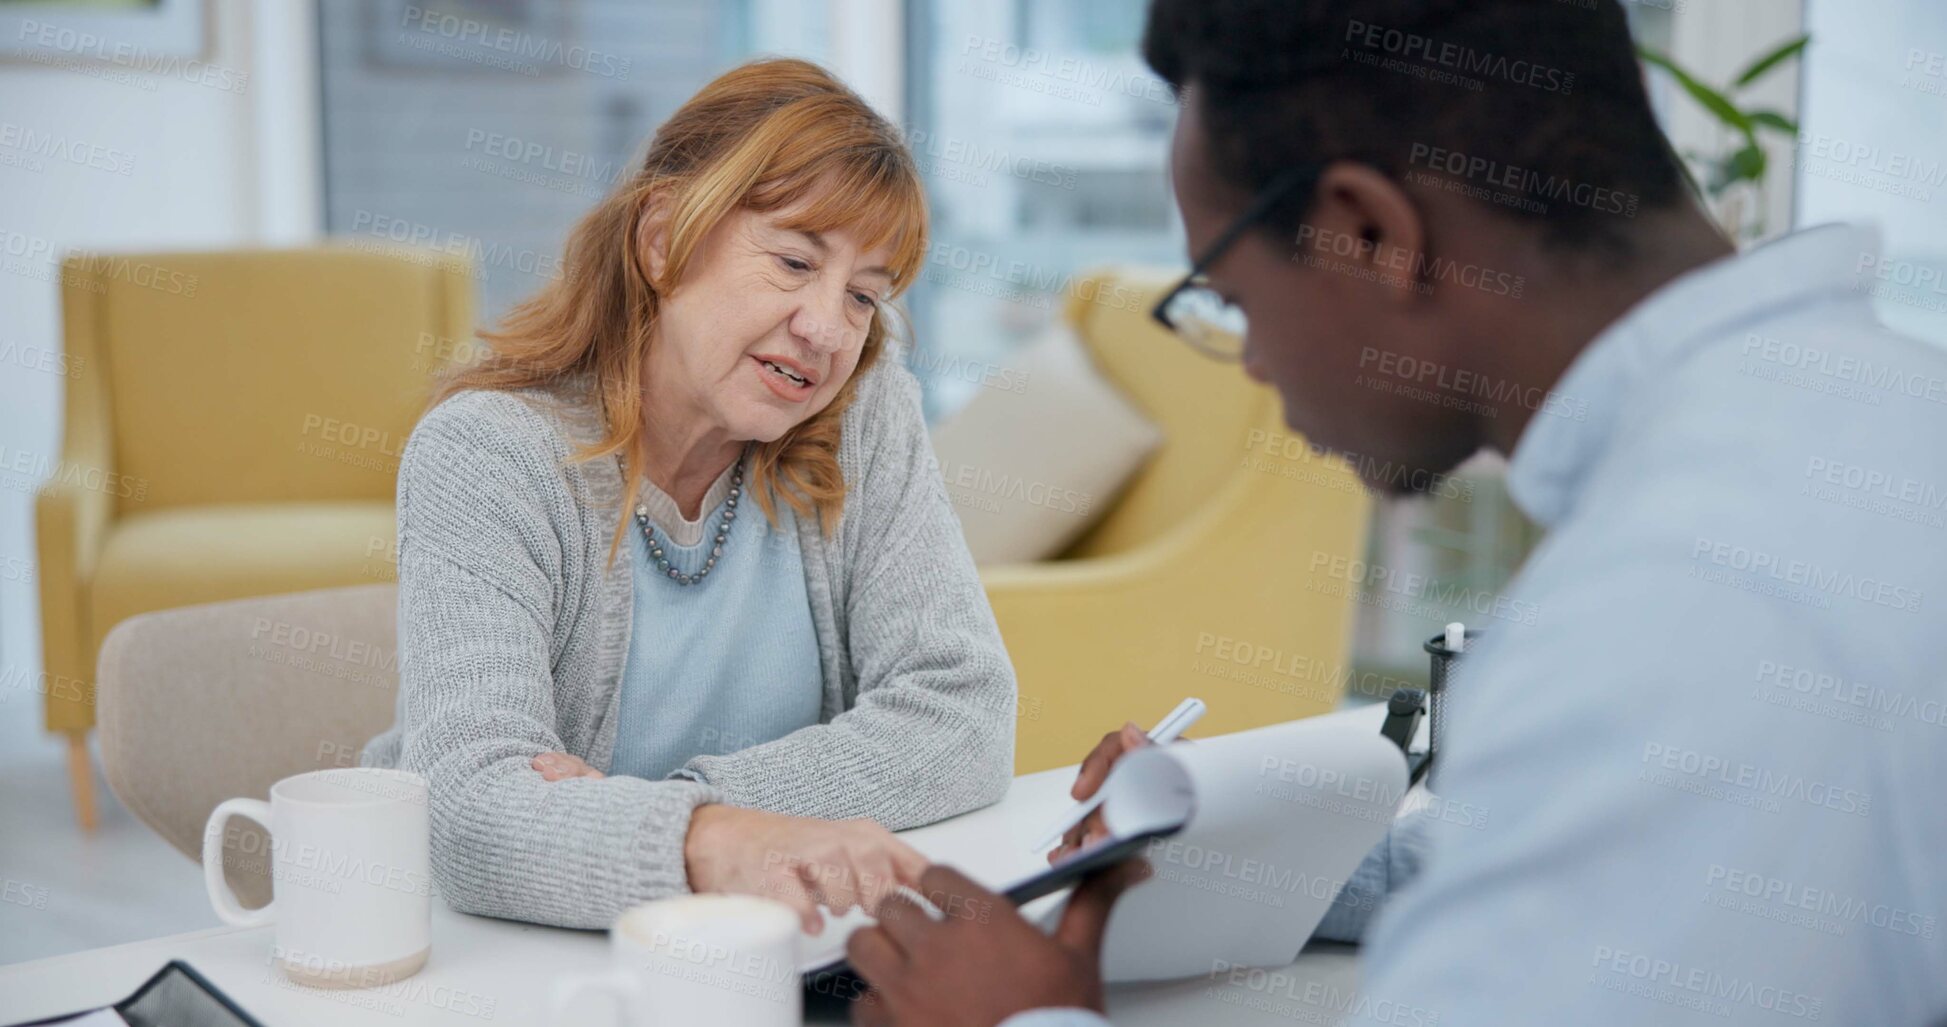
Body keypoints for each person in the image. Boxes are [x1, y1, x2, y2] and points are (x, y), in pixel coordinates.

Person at [843, 1, 1947, 1024]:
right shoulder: (1857, 421)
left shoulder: (1679, 603)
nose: (1256, 362)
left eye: (1228, 301)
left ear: (1367, 234)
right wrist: (1202, 844)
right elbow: (1539, 852)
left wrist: (1027, 1018)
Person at [360, 58, 1017, 933]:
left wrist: (706, 812)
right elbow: (473, 815)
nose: (827, 330)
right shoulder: (488, 452)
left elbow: (965, 712)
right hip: (506, 957)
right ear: (663, 238)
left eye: (864, 295)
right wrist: (715, 840)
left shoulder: (863, 406)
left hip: (750, 949)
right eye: (792, 261)